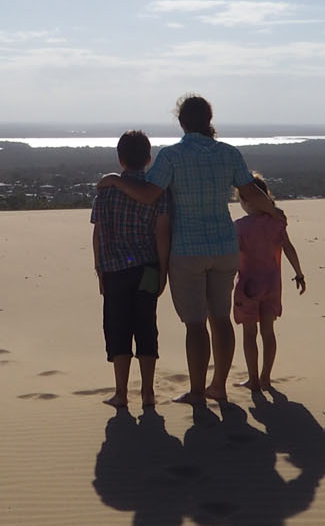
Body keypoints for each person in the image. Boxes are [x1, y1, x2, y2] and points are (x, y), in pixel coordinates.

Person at [97, 94, 278, 404]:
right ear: (209, 120)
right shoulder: (229, 153)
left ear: (181, 122)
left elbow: (148, 195)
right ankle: (218, 387)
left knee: (195, 324)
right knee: (220, 318)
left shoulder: (171, 156)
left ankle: (197, 392)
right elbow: (250, 191)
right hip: (224, 246)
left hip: (188, 249)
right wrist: (274, 211)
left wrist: (115, 180)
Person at [88, 129, 170, 406]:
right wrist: (163, 271)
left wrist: (100, 269)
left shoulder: (106, 191)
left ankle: (121, 393)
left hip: (114, 271)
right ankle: (148, 393)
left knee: (117, 329)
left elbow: (98, 234)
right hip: (148, 268)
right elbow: (162, 234)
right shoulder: (157, 192)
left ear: (120, 159)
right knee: (146, 327)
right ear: (148, 159)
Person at [231, 174, 305, 395]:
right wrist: (299, 273)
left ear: (245, 200)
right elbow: (289, 248)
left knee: (249, 333)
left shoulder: (240, 227)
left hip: (248, 287)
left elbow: (233, 257)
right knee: (268, 332)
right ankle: (265, 377)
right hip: (272, 285)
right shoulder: (276, 223)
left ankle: (253, 379)